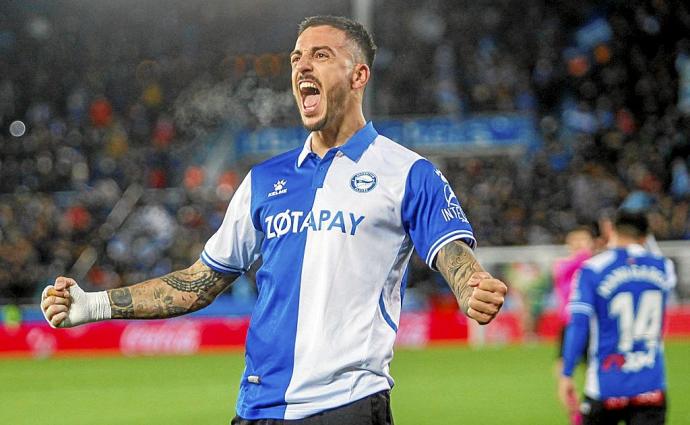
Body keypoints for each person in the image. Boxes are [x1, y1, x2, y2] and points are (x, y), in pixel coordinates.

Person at [41, 15, 507, 424]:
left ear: (359, 74)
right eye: (296, 57)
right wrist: (91, 306)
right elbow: (199, 282)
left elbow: (450, 250)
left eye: (320, 55)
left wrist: (470, 285)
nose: (302, 66)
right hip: (257, 409)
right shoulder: (263, 181)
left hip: (346, 407)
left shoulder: (406, 173)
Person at [558, 211, 676, 425]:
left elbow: (579, 324)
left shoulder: (592, 270)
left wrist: (567, 372)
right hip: (651, 386)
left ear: (612, 230)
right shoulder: (663, 267)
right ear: (644, 237)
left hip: (606, 386)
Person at [553, 225, 595, 425]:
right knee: (561, 374)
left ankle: (591, 410)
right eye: (575, 241)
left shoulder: (595, 266)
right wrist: (585, 254)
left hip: (592, 326)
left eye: (583, 240)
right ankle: (575, 415)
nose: (579, 245)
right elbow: (565, 272)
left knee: (593, 373)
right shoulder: (562, 265)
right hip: (569, 326)